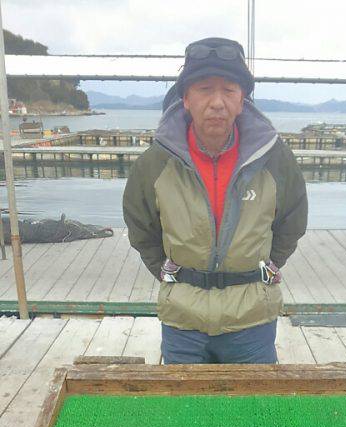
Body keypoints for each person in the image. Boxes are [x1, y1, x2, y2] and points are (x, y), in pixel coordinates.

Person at [123, 37, 308, 364]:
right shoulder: (154, 163)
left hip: (253, 320)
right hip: (183, 321)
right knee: (186, 412)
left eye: (229, 90)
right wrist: (164, 271)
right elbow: (140, 226)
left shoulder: (275, 159)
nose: (217, 102)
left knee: (254, 412)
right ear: (185, 99)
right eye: (205, 89)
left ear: (242, 101)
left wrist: (270, 265)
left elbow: (292, 220)